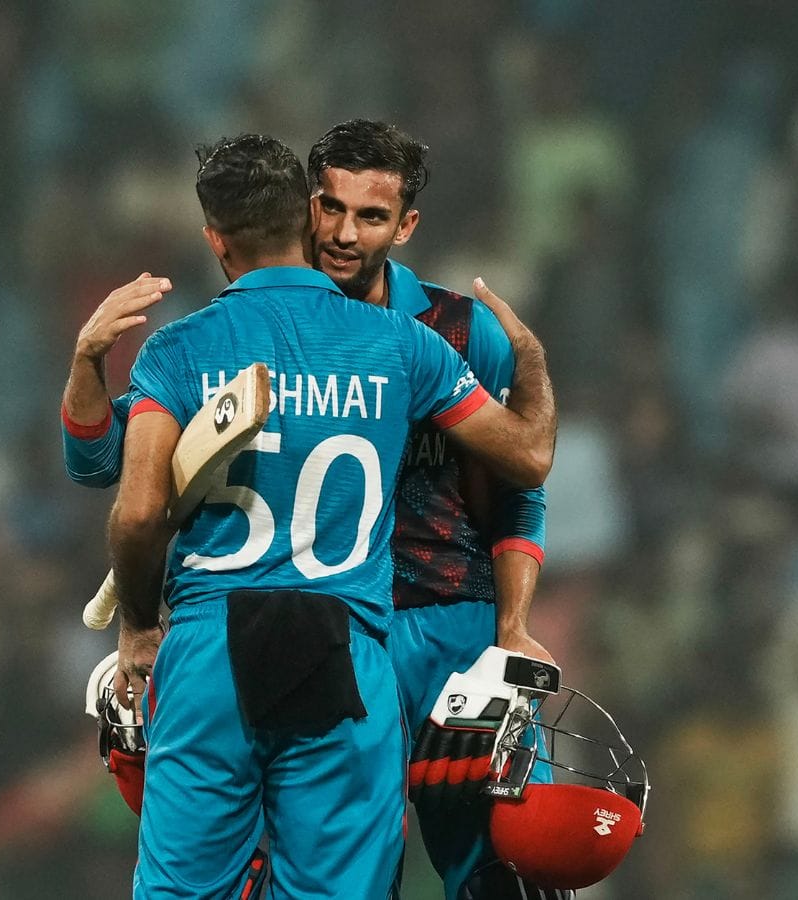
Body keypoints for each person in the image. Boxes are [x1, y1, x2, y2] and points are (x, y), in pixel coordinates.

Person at [62, 120, 557, 899]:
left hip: (230, 633)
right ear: (306, 214)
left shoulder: (183, 348)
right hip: (346, 635)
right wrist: (531, 361)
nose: (347, 232)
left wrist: (137, 622)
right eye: (334, 209)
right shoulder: (407, 344)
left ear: (215, 240)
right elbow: (529, 454)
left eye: (372, 215)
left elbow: (125, 502)